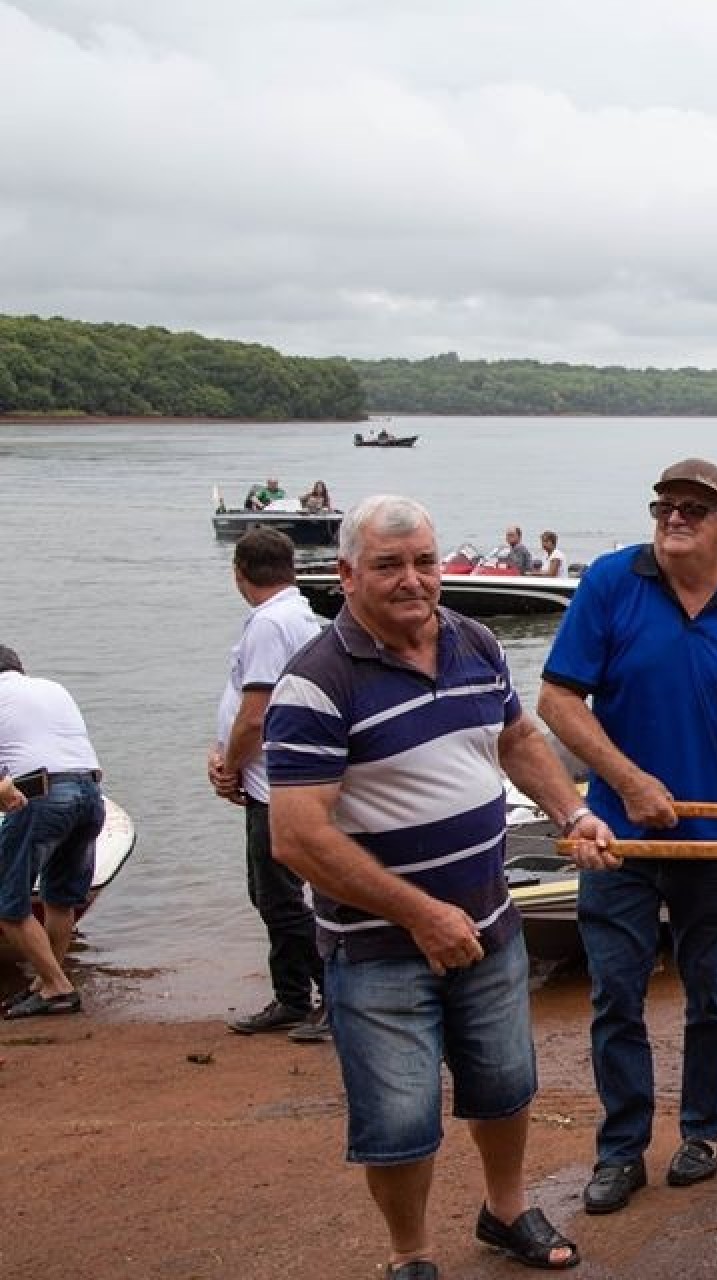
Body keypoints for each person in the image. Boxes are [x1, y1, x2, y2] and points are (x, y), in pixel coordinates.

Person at [266, 494, 615, 1277]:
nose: (413, 581)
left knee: (505, 1086)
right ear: (347, 575)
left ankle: (505, 1210)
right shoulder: (315, 684)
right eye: (389, 566)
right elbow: (297, 836)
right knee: (398, 1117)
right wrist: (421, 914)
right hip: (378, 946)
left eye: (424, 561)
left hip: (490, 924)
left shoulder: (475, 641)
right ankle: (410, 1253)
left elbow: (517, 738)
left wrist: (571, 810)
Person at [538, 458, 717, 1217]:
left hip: (715, 842)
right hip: (616, 840)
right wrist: (626, 783)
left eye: (696, 507)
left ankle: (702, 1134)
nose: (676, 517)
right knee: (616, 995)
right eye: (666, 505)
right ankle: (621, 1150)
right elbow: (558, 700)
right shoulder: (610, 584)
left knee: (711, 994)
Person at [209, 528, 329, 1042]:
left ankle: (327, 995)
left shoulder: (269, 623)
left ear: (239, 572)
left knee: (277, 895)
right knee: (276, 893)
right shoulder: (300, 616)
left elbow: (256, 713)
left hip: (271, 780)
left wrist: (231, 765)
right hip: (285, 774)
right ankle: (295, 995)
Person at [0, 645, 105, 1020]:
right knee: (59, 898)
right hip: (91, 792)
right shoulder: (52, 689)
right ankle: (48, 984)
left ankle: (56, 986)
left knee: (7, 904)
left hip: (43, 795)